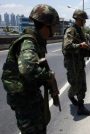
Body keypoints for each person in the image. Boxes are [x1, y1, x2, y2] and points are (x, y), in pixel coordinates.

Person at [1, 4, 60, 134]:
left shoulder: (36, 41)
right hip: (24, 99)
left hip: (29, 94)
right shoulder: (29, 42)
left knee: (40, 125)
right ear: (46, 25)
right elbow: (27, 69)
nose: (55, 29)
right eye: (54, 25)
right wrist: (48, 76)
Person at [62, 9, 90, 115]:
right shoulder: (71, 30)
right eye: (83, 20)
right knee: (75, 85)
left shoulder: (80, 31)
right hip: (72, 64)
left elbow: (83, 50)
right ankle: (71, 95)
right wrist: (80, 45)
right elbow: (67, 46)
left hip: (79, 63)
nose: (85, 22)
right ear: (78, 19)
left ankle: (81, 106)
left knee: (82, 86)